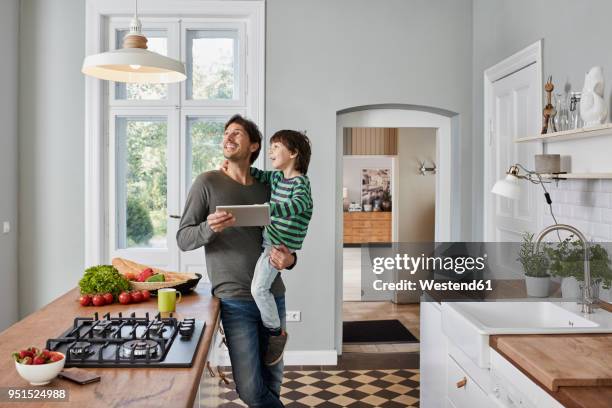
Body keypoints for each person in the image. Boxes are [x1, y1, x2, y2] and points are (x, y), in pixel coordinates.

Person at [176, 114, 296, 408]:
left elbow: (285, 235)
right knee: (251, 390)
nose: (228, 137)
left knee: (272, 384)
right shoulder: (207, 182)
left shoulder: (269, 186)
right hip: (234, 302)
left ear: (254, 145)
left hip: (272, 295)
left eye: (237, 133)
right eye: (226, 133)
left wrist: (290, 260)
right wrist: (210, 227)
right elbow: (184, 238)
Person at [248, 130, 313, 366]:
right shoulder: (276, 178)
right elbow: (258, 174)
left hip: (277, 247)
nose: (271, 152)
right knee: (259, 288)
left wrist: (267, 210)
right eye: (271, 147)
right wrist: (240, 166)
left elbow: (298, 205)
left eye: (276, 147)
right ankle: (274, 330)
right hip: (270, 241)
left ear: (294, 153)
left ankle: (276, 333)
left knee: (258, 289)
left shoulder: (301, 184)